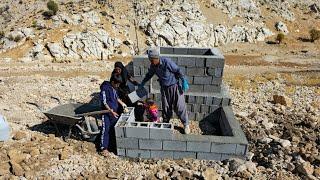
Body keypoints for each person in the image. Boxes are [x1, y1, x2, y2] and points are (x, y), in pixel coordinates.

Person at [139, 47, 190, 134]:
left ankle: (186, 124)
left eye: (151, 60)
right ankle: (166, 122)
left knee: (179, 106)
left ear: (156, 58)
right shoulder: (153, 66)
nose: (151, 62)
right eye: (150, 60)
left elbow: (177, 70)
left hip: (175, 86)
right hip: (164, 88)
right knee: (166, 107)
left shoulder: (167, 62)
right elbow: (149, 74)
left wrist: (183, 80)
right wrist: (143, 82)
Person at [100, 74, 127, 156]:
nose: (118, 86)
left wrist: (122, 104)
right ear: (112, 82)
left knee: (113, 129)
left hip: (114, 113)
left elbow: (116, 98)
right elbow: (104, 102)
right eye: (117, 84)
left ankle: (112, 146)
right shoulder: (105, 89)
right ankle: (103, 148)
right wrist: (110, 111)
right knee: (106, 129)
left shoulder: (114, 88)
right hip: (107, 113)